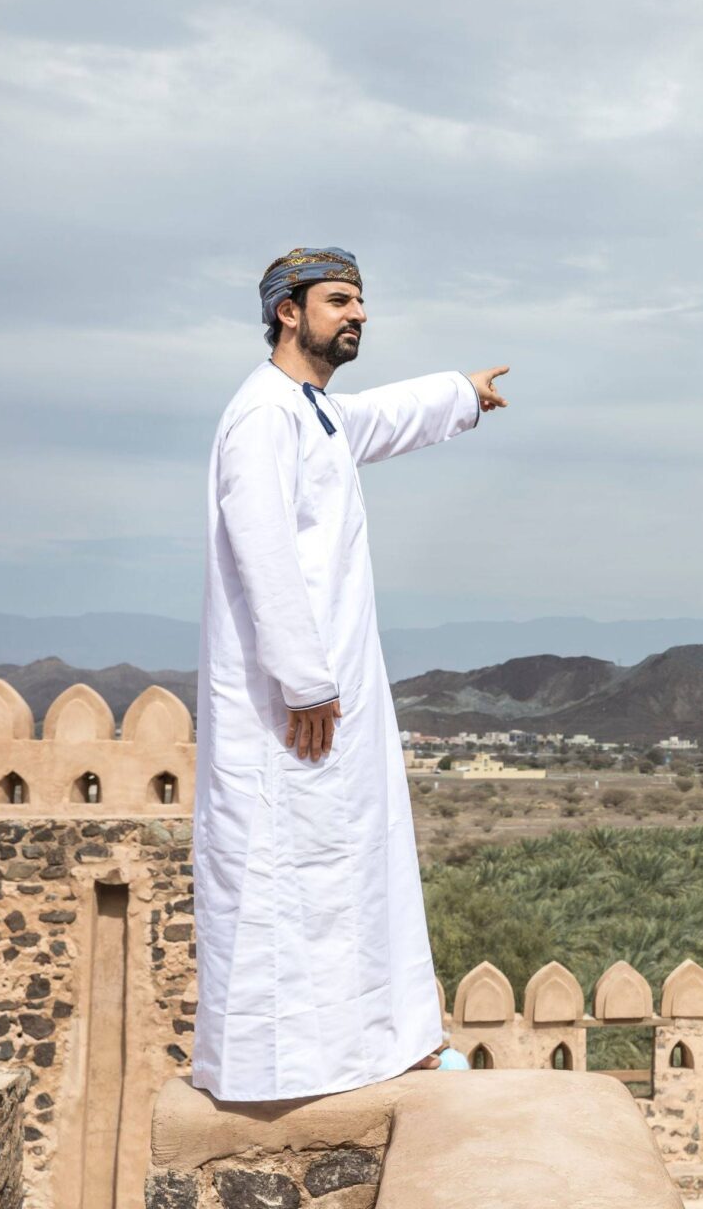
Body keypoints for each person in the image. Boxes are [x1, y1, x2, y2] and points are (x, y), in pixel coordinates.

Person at [193, 246, 508, 1101]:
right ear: (287, 311)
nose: (358, 314)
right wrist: (304, 680)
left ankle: (365, 1048)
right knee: (283, 869)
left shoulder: (311, 411)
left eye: (362, 302)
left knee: (349, 865)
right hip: (292, 702)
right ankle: (277, 1066)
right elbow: (261, 548)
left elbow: (375, 419)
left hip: (330, 692)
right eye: (339, 300)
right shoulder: (263, 416)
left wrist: (460, 394)